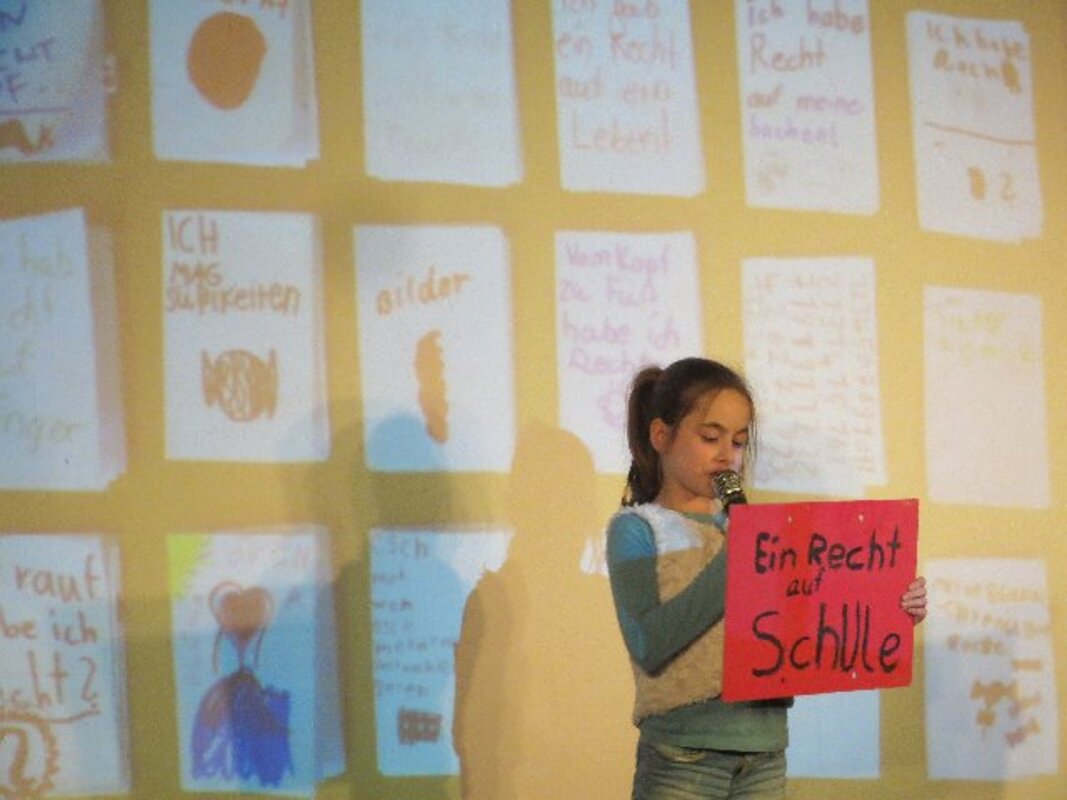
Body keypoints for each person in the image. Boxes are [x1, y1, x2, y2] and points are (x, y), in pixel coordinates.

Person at [606, 357, 927, 799]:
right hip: (683, 756)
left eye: (739, 441)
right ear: (661, 435)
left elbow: (808, 623)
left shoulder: (761, 536)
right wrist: (738, 562)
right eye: (710, 437)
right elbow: (649, 644)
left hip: (765, 750)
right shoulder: (638, 529)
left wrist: (890, 606)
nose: (727, 454)